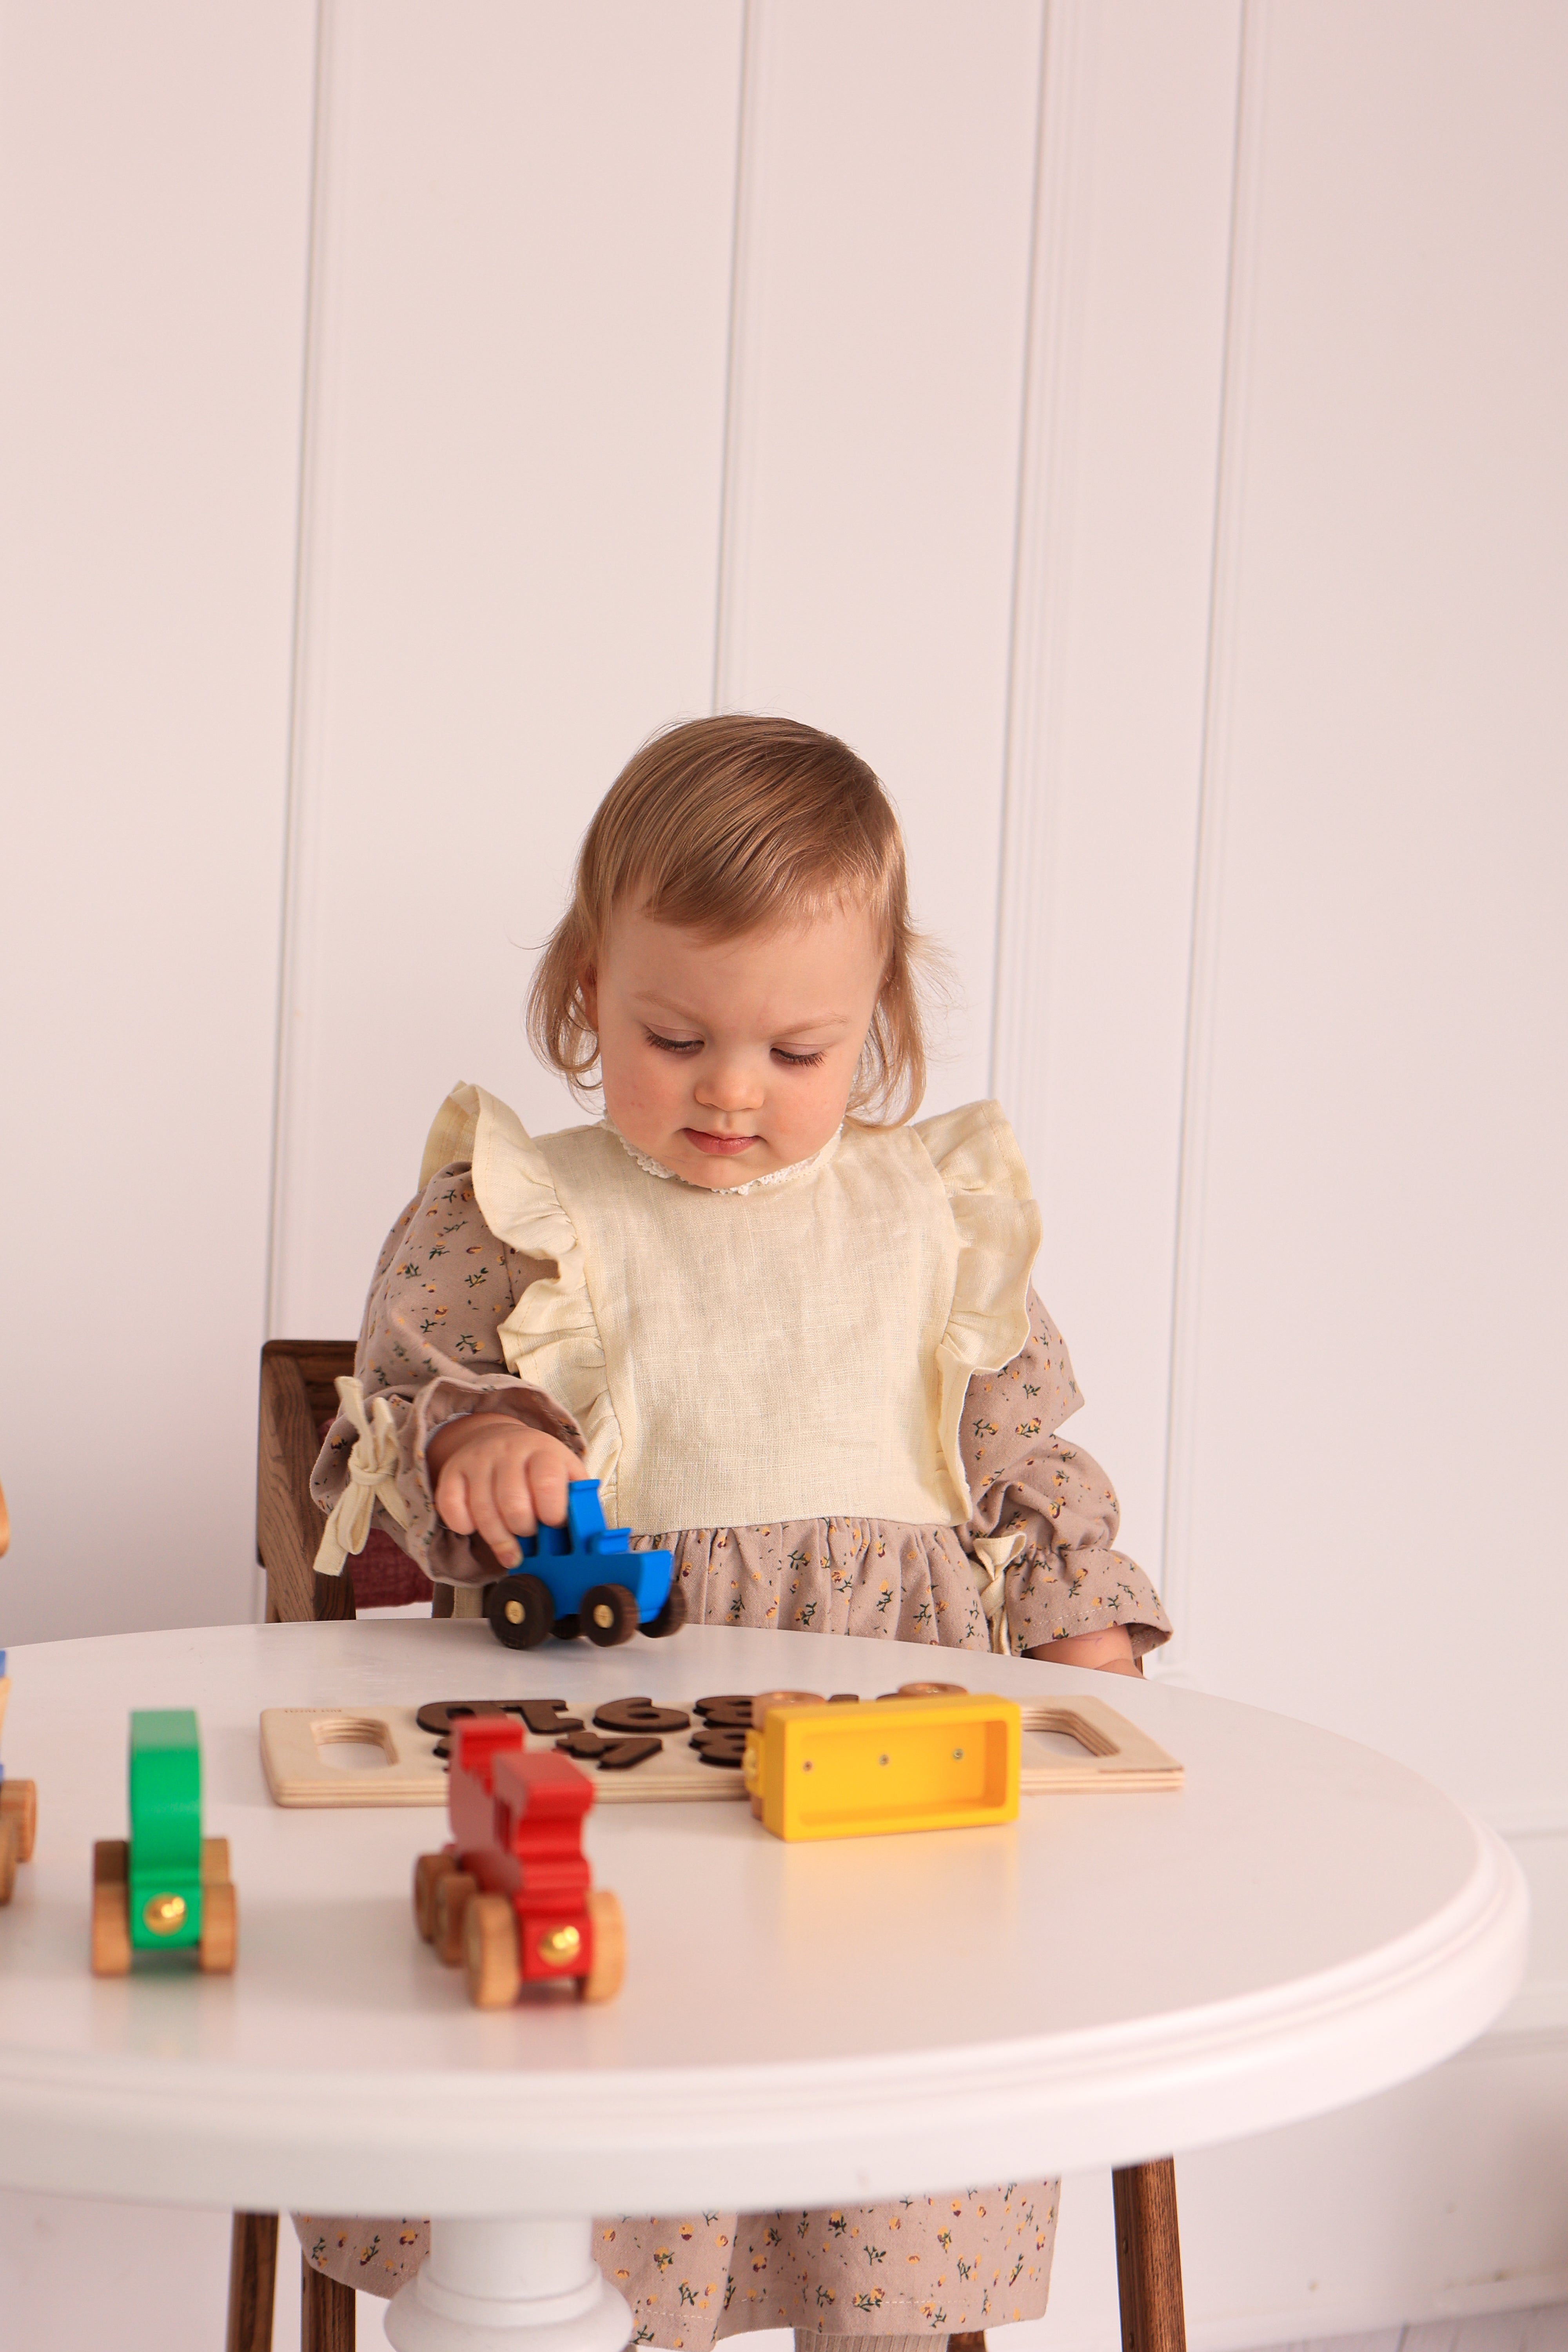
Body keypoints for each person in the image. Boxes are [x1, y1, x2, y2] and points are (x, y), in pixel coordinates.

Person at [296, 714, 1171, 2349]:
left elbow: (1018, 1455)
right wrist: (484, 1436)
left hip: (895, 1778)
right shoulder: (521, 1203)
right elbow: (417, 1384)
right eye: (675, 1035)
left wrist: (1081, 1636)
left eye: (796, 1053)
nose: (729, 1091)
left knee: (891, 2127)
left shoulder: (930, 1214)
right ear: (584, 995)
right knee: (616, 2114)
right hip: (623, 1763)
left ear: (878, 1028)